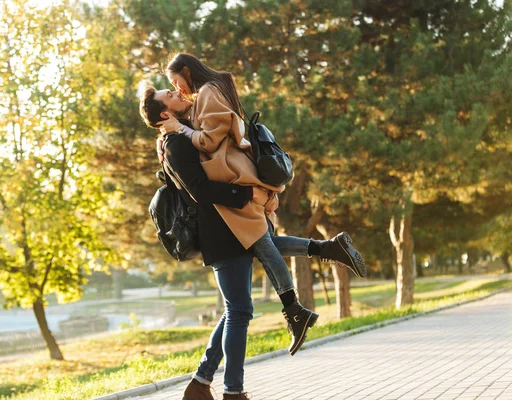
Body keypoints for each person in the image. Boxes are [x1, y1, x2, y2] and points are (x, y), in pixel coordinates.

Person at [139, 86, 364, 400]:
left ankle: (201, 383)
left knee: (237, 306)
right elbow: (201, 190)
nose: (178, 93)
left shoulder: (182, 134)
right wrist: (246, 194)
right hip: (219, 232)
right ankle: (232, 391)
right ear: (164, 113)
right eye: (170, 95)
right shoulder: (175, 143)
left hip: (230, 224)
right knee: (240, 311)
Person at [158, 54, 366, 346]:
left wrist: (180, 129)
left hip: (235, 178)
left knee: (259, 245)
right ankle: (328, 251)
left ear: (188, 72)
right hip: (239, 175)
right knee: (261, 242)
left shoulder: (207, 91)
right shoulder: (214, 89)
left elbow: (209, 140)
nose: (178, 89)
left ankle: (295, 308)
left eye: (176, 83)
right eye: (172, 88)